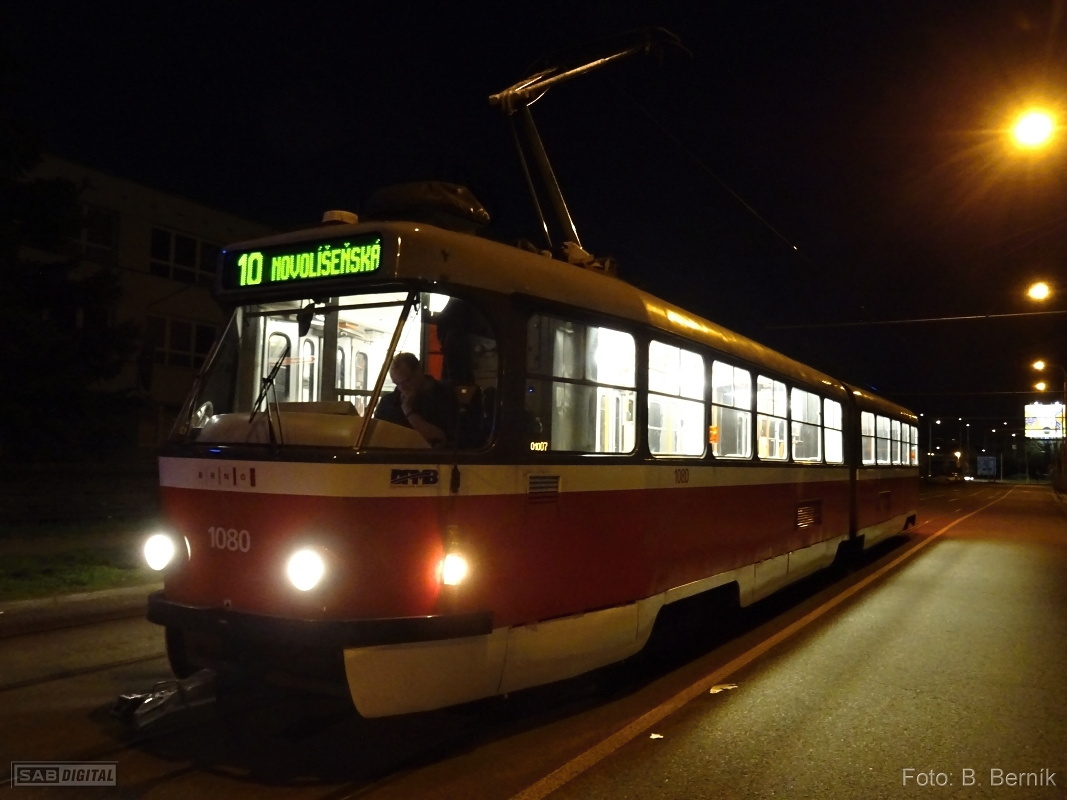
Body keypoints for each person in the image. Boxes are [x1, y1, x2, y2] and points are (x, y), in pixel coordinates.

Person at [374, 352, 456, 447]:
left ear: (418, 370)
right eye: (397, 384)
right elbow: (378, 438)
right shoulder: (388, 404)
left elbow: (440, 440)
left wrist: (409, 412)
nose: (402, 388)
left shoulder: (447, 395)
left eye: (407, 381)